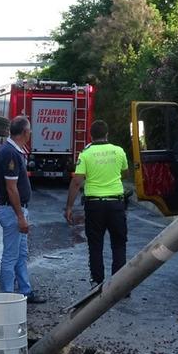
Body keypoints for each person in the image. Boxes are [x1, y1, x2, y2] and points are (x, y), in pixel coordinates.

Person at [64, 120, 129, 287]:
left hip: (94, 206)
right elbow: (125, 172)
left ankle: (98, 283)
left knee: (95, 244)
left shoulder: (85, 154)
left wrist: (69, 207)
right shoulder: (118, 151)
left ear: (91, 135)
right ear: (107, 134)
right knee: (119, 244)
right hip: (116, 204)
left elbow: (77, 182)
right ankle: (119, 284)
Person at [0, 116, 46, 303]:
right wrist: (20, 217)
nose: (30, 133)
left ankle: (25, 292)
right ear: (25, 132)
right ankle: (7, 298)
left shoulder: (13, 151)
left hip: (16, 211)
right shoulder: (10, 154)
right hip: (12, 212)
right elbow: (11, 188)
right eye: (29, 130)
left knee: (21, 254)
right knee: (10, 256)